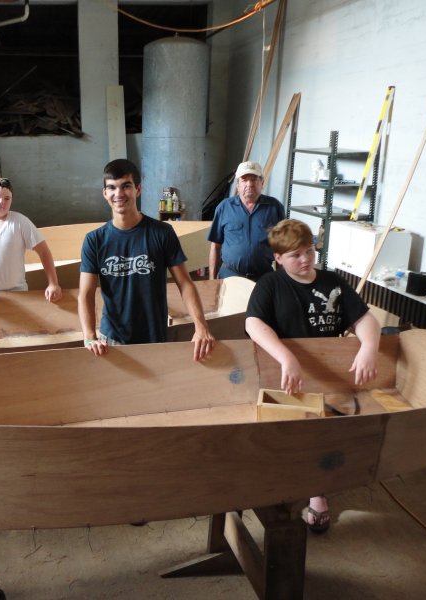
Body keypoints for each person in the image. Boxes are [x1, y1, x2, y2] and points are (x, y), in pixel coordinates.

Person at [245, 218, 381, 534]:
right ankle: (281, 484)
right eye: (295, 255)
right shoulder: (270, 285)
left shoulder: (333, 283)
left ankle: (316, 492)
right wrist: (286, 357)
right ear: (278, 258)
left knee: (324, 434)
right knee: (285, 436)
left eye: (309, 251)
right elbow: (254, 324)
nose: (305, 260)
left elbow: (365, 319)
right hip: (287, 376)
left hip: (328, 374)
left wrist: (369, 347)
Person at [78, 158, 215, 361]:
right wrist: (89, 338)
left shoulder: (162, 233)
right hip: (112, 340)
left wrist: (201, 326)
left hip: (155, 336)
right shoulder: (94, 240)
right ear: (105, 193)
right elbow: (85, 294)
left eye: (126, 186)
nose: (119, 194)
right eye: (112, 188)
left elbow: (185, 283)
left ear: (138, 189)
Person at [208, 160, 285, 281]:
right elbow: (215, 246)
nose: (249, 184)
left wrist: (282, 280)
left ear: (262, 183)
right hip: (230, 276)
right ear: (237, 186)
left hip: (263, 278)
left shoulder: (275, 208)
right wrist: (212, 280)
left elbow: (281, 247)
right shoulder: (224, 207)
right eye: (244, 180)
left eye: (254, 179)